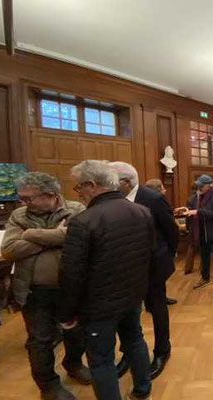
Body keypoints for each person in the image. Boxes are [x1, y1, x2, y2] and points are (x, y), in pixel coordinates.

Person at [58, 160, 153, 400]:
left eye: (78, 187)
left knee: (101, 360)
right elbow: (147, 256)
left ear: (92, 185)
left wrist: (66, 314)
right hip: (132, 296)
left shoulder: (83, 221)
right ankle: (143, 389)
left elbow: (71, 274)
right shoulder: (142, 211)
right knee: (135, 339)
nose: (77, 193)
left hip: (98, 306)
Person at [0, 172, 90, 400]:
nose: (23, 203)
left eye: (28, 198)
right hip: (34, 291)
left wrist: (31, 235)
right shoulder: (19, 215)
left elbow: (79, 241)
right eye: (21, 198)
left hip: (71, 290)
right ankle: (48, 386)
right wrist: (55, 236)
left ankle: (74, 364)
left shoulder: (76, 210)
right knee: (40, 341)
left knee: (76, 333)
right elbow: (9, 250)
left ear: (51, 195)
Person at [110, 162, 178, 380]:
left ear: (126, 182)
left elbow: (171, 230)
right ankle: (130, 353)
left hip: (153, 265)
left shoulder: (153, 199)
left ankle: (162, 351)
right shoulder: (112, 200)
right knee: (127, 313)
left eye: (111, 180)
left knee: (156, 308)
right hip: (125, 267)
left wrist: (167, 256)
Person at [184, 174, 213, 298]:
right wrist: (187, 210)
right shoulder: (198, 196)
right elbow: (193, 208)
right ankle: (205, 278)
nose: (199, 188)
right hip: (202, 233)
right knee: (204, 257)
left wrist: (198, 212)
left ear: (209, 185)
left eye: (202, 186)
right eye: (198, 185)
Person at [145, 178, 178, 306]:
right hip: (159, 247)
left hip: (148, 247)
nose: (165, 190)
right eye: (163, 188)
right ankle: (157, 301)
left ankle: (159, 299)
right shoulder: (159, 201)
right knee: (158, 277)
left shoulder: (142, 200)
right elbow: (170, 227)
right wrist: (173, 248)